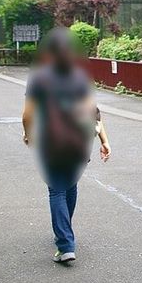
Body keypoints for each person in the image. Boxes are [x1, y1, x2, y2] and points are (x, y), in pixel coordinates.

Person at [22, 28, 111, 264]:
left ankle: (65, 245)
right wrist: (104, 141)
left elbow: (27, 114)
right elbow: (93, 113)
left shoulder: (39, 78)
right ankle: (66, 234)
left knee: (57, 189)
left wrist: (28, 134)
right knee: (69, 186)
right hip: (80, 142)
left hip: (52, 142)